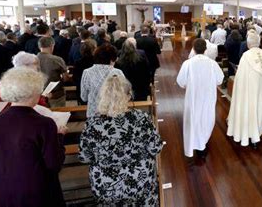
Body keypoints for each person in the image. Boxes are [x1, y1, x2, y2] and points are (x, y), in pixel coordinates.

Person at [0, 67, 66, 207]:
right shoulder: (44, 124)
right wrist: (60, 137)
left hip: (2, 195)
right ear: (34, 91)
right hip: (36, 196)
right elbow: (54, 165)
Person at [79, 75, 162, 206]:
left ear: (103, 96)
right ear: (129, 95)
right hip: (140, 182)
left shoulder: (92, 124)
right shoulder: (142, 119)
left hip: (106, 187)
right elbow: (155, 148)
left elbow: (85, 157)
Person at [227, 33, 262, 147]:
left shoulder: (246, 56)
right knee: (260, 111)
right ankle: (257, 137)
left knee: (249, 111)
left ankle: (250, 136)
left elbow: (240, 78)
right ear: (259, 42)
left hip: (249, 93)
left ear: (247, 43)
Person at [177, 39, 224, 158]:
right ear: (205, 49)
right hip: (208, 96)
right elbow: (220, 79)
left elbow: (181, 81)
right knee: (206, 118)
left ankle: (195, 143)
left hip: (193, 97)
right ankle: (203, 143)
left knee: (194, 119)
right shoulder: (212, 63)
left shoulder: (188, 63)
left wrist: (188, 85)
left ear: (193, 48)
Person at [81, 44, 125, 117]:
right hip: (114, 114)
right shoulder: (118, 72)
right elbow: (123, 95)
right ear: (112, 59)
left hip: (94, 115)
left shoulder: (87, 72)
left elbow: (84, 97)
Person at [37, 37, 69, 108]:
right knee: (59, 116)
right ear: (52, 46)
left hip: (38, 95)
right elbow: (65, 78)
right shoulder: (57, 60)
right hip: (55, 94)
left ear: (39, 46)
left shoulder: (33, 60)